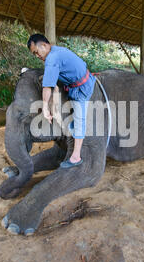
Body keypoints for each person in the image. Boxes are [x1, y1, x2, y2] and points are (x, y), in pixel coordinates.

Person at [27, 33, 96, 168]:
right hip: (74, 84)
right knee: (68, 120)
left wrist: (45, 108)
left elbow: (47, 87)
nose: (37, 56)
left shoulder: (52, 58)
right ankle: (71, 131)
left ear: (44, 45)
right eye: (34, 54)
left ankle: (76, 157)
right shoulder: (56, 50)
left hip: (82, 88)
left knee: (78, 120)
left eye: (36, 52)